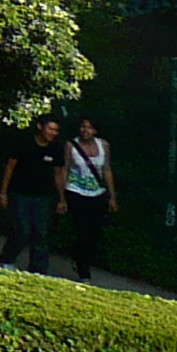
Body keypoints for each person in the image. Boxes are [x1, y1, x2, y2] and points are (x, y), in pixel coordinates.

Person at [0, 114, 63, 273]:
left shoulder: (56, 148)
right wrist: (3, 193)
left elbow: (58, 174)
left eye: (56, 130)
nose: (53, 133)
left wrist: (61, 199)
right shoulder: (24, 143)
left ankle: (38, 271)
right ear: (40, 127)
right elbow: (10, 167)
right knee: (22, 230)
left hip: (43, 196)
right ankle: (7, 259)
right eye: (50, 129)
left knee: (41, 234)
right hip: (20, 194)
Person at [63, 115, 118, 282]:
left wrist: (112, 196)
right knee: (83, 229)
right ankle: (83, 270)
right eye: (83, 127)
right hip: (76, 190)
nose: (85, 130)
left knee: (94, 232)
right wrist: (62, 197)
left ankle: (80, 256)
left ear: (95, 131)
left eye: (89, 127)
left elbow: (107, 170)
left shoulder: (104, 146)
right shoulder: (71, 145)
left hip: (97, 192)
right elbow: (64, 168)